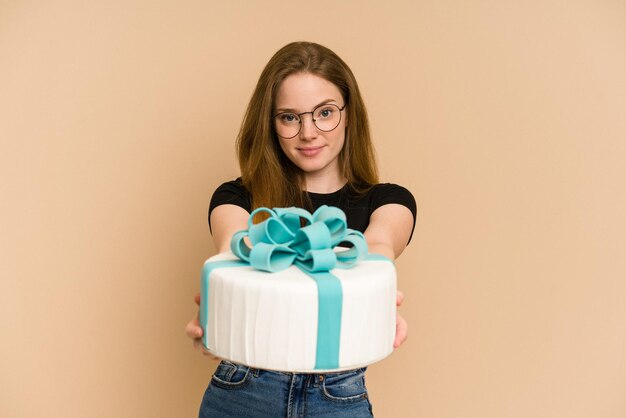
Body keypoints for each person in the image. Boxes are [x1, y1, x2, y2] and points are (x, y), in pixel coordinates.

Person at [185, 41, 416, 417]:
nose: (309, 132)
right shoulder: (235, 198)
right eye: (290, 117)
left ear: (349, 115)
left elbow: (376, 248)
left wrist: (372, 301)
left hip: (337, 396)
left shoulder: (390, 201)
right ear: (271, 123)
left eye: (324, 113)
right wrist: (222, 316)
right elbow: (236, 248)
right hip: (243, 391)